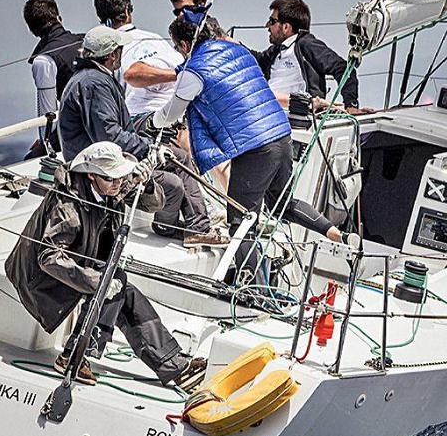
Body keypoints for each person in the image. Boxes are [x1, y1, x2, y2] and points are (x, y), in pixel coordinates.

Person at [154, 16, 360, 283]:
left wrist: (152, 120)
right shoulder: (239, 52)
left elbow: (172, 114)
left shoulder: (193, 70)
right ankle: (336, 233)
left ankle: (255, 291)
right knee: (282, 204)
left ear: (184, 44)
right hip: (281, 136)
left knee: (240, 220)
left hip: (254, 149)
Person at [4, 141, 206, 391]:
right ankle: (74, 355)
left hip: (78, 261)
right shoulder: (68, 208)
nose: (118, 182)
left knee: (123, 290)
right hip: (41, 280)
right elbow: (49, 258)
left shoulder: (111, 185)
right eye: (112, 178)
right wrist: (96, 281)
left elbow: (153, 204)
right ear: (91, 175)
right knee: (112, 283)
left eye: (120, 176)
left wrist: (149, 183)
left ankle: (173, 364)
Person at [60, 24, 227, 247]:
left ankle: (198, 227)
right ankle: (167, 226)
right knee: (172, 184)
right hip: (100, 167)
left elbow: (112, 129)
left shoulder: (92, 77)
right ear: (112, 55)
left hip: (111, 155)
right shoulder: (94, 84)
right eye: (119, 49)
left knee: (180, 157)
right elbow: (109, 135)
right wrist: (148, 148)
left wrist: (146, 137)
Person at [251, 0, 373, 115]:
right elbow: (255, 60)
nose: (267, 25)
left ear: (286, 27)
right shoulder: (276, 51)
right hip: (269, 112)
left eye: (272, 21)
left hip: (296, 117)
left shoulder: (306, 44)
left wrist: (351, 105)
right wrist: (233, 43)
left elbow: (342, 68)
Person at [22, 0, 83, 157]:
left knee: (29, 158)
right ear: (59, 19)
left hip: (78, 127)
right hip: (108, 118)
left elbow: (47, 114)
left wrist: (45, 142)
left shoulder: (43, 60)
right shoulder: (86, 40)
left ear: (31, 30)